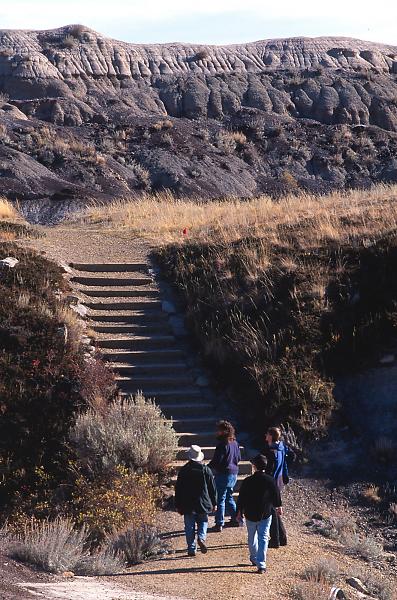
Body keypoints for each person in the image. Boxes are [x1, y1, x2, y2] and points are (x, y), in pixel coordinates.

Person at [236, 454, 282, 574]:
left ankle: (253, 558)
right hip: (265, 513)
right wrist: (278, 506)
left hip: (250, 513)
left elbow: (241, 498)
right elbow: (276, 495)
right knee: (263, 537)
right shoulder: (270, 480)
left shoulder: (248, 481)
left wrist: (239, 511)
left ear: (254, 466)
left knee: (252, 537)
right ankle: (261, 564)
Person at [175, 445, 217, 557]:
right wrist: (214, 502)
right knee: (203, 521)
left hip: (188, 503)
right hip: (203, 502)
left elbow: (178, 489)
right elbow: (212, 488)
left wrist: (178, 504)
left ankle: (191, 548)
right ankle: (201, 537)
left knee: (189, 526)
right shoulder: (206, 470)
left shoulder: (184, 470)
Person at [264, 426, 295, 548]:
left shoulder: (272, 450)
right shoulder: (282, 446)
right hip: (280, 479)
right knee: (275, 509)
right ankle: (282, 538)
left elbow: (270, 468)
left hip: (273, 481)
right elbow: (291, 457)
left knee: (271, 510)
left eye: (267, 434)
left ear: (271, 436)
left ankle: (275, 539)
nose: (265, 436)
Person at [208, 420, 241, 532]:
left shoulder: (222, 444)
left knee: (220, 499)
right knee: (229, 496)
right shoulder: (235, 443)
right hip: (234, 473)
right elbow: (239, 458)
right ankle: (236, 519)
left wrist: (207, 467)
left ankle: (219, 523)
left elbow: (217, 460)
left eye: (219, 430)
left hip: (223, 474)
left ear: (225, 431)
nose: (217, 432)